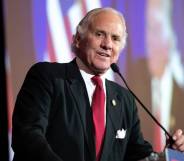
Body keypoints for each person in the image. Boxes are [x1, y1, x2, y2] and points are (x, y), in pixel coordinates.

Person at [12, 7, 184, 161]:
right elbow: (27, 138)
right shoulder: (48, 77)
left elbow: (137, 154)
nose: (107, 44)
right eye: (99, 34)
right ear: (78, 39)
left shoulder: (124, 99)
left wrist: (166, 156)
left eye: (115, 38)